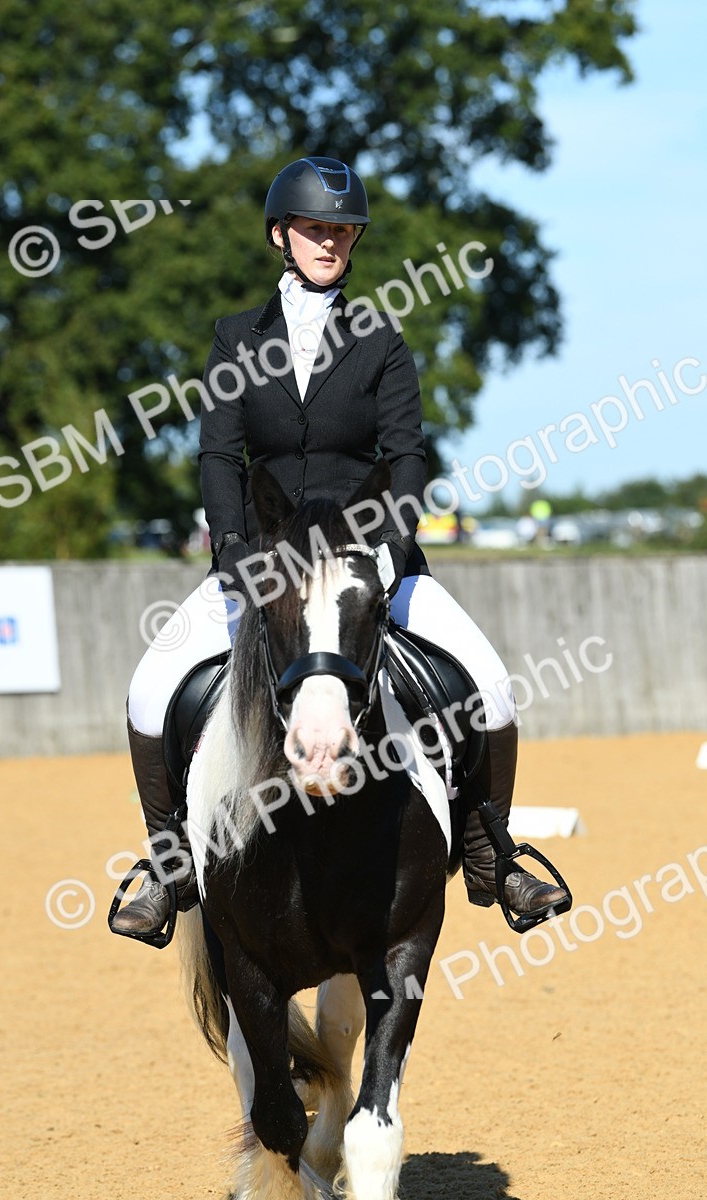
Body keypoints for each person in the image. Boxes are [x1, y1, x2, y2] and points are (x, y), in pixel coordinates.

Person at [114, 156, 566, 936]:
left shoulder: (380, 337)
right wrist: (231, 549)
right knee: (149, 688)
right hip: (266, 560)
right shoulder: (233, 340)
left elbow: (407, 453)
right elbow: (220, 456)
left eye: (342, 231)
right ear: (280, 235)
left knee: (491, 685)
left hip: (364, 557)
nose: (329, 242)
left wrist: (390, 546)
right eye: (315, 228)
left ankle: (493, 855)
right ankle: (166, 863)